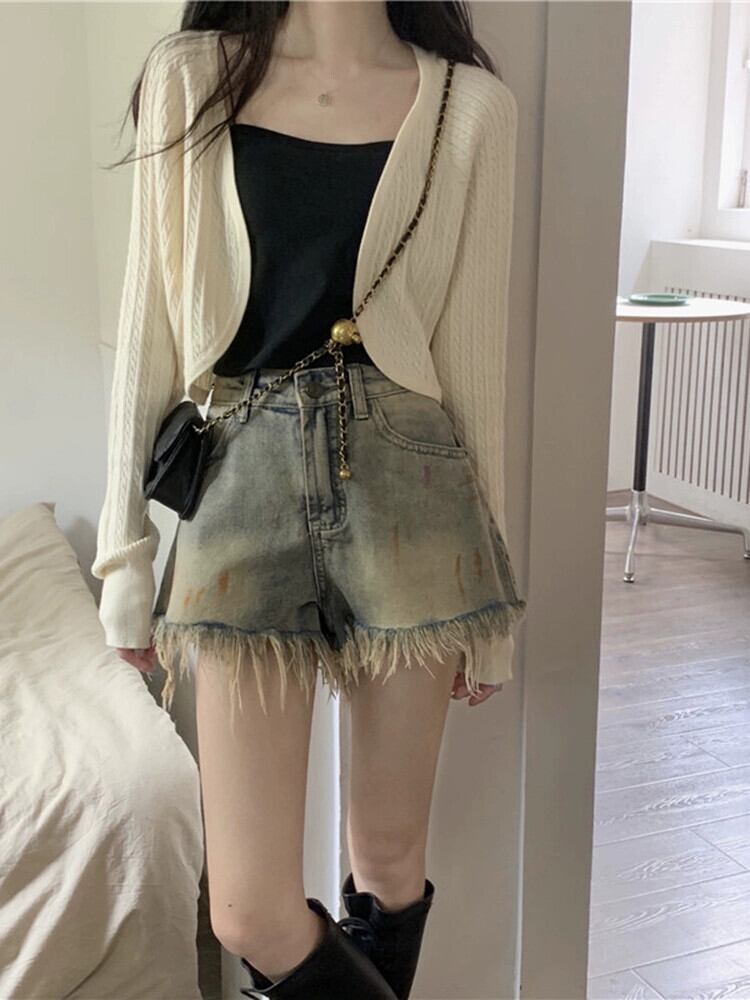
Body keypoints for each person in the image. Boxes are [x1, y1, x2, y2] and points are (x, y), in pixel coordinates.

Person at [91, 2, 527, 997]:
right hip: (240, 487)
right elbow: (149, 324)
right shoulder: (192, 77)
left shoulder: (470, 108)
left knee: (389, 861)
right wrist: (125, 558)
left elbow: (475, 370)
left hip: (414, 489)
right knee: (247, 906)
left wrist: (492, 607)